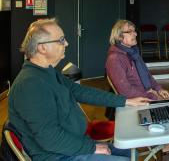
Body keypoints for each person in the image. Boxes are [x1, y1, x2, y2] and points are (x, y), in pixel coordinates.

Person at [8, 19, 150, 161]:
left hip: (74, 143)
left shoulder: (48, 72)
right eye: (61, 40)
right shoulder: (31, 84)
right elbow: (50, 139)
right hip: (58, 155)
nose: (66, 43)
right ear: (42, 48)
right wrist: (92, 148)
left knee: (132, 154)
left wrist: (125, 101)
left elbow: (81, 92)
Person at [105, 20, 169, 161]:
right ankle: (167, 147)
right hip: (134, 103)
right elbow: (126, 91)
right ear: (120, 37)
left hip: (145, 96)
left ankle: (165, 142)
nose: (135, 33)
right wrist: (152, 95)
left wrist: (159, 89)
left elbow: (148, 75)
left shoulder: (132, 53)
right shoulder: (115, 59)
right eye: (130, 31)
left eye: (134, 30)